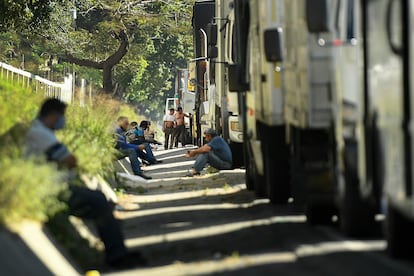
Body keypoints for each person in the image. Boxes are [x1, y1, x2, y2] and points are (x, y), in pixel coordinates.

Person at [24, 98, 147, 269]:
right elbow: (70, 159)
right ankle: (116, 254)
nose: (63, 120)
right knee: (98, 201)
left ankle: (115, 249)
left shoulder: (38, 131)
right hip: (54, 190)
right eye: (62, 116)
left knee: (101, 203)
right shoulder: (40, 133)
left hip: (55, 186)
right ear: (52, 115)